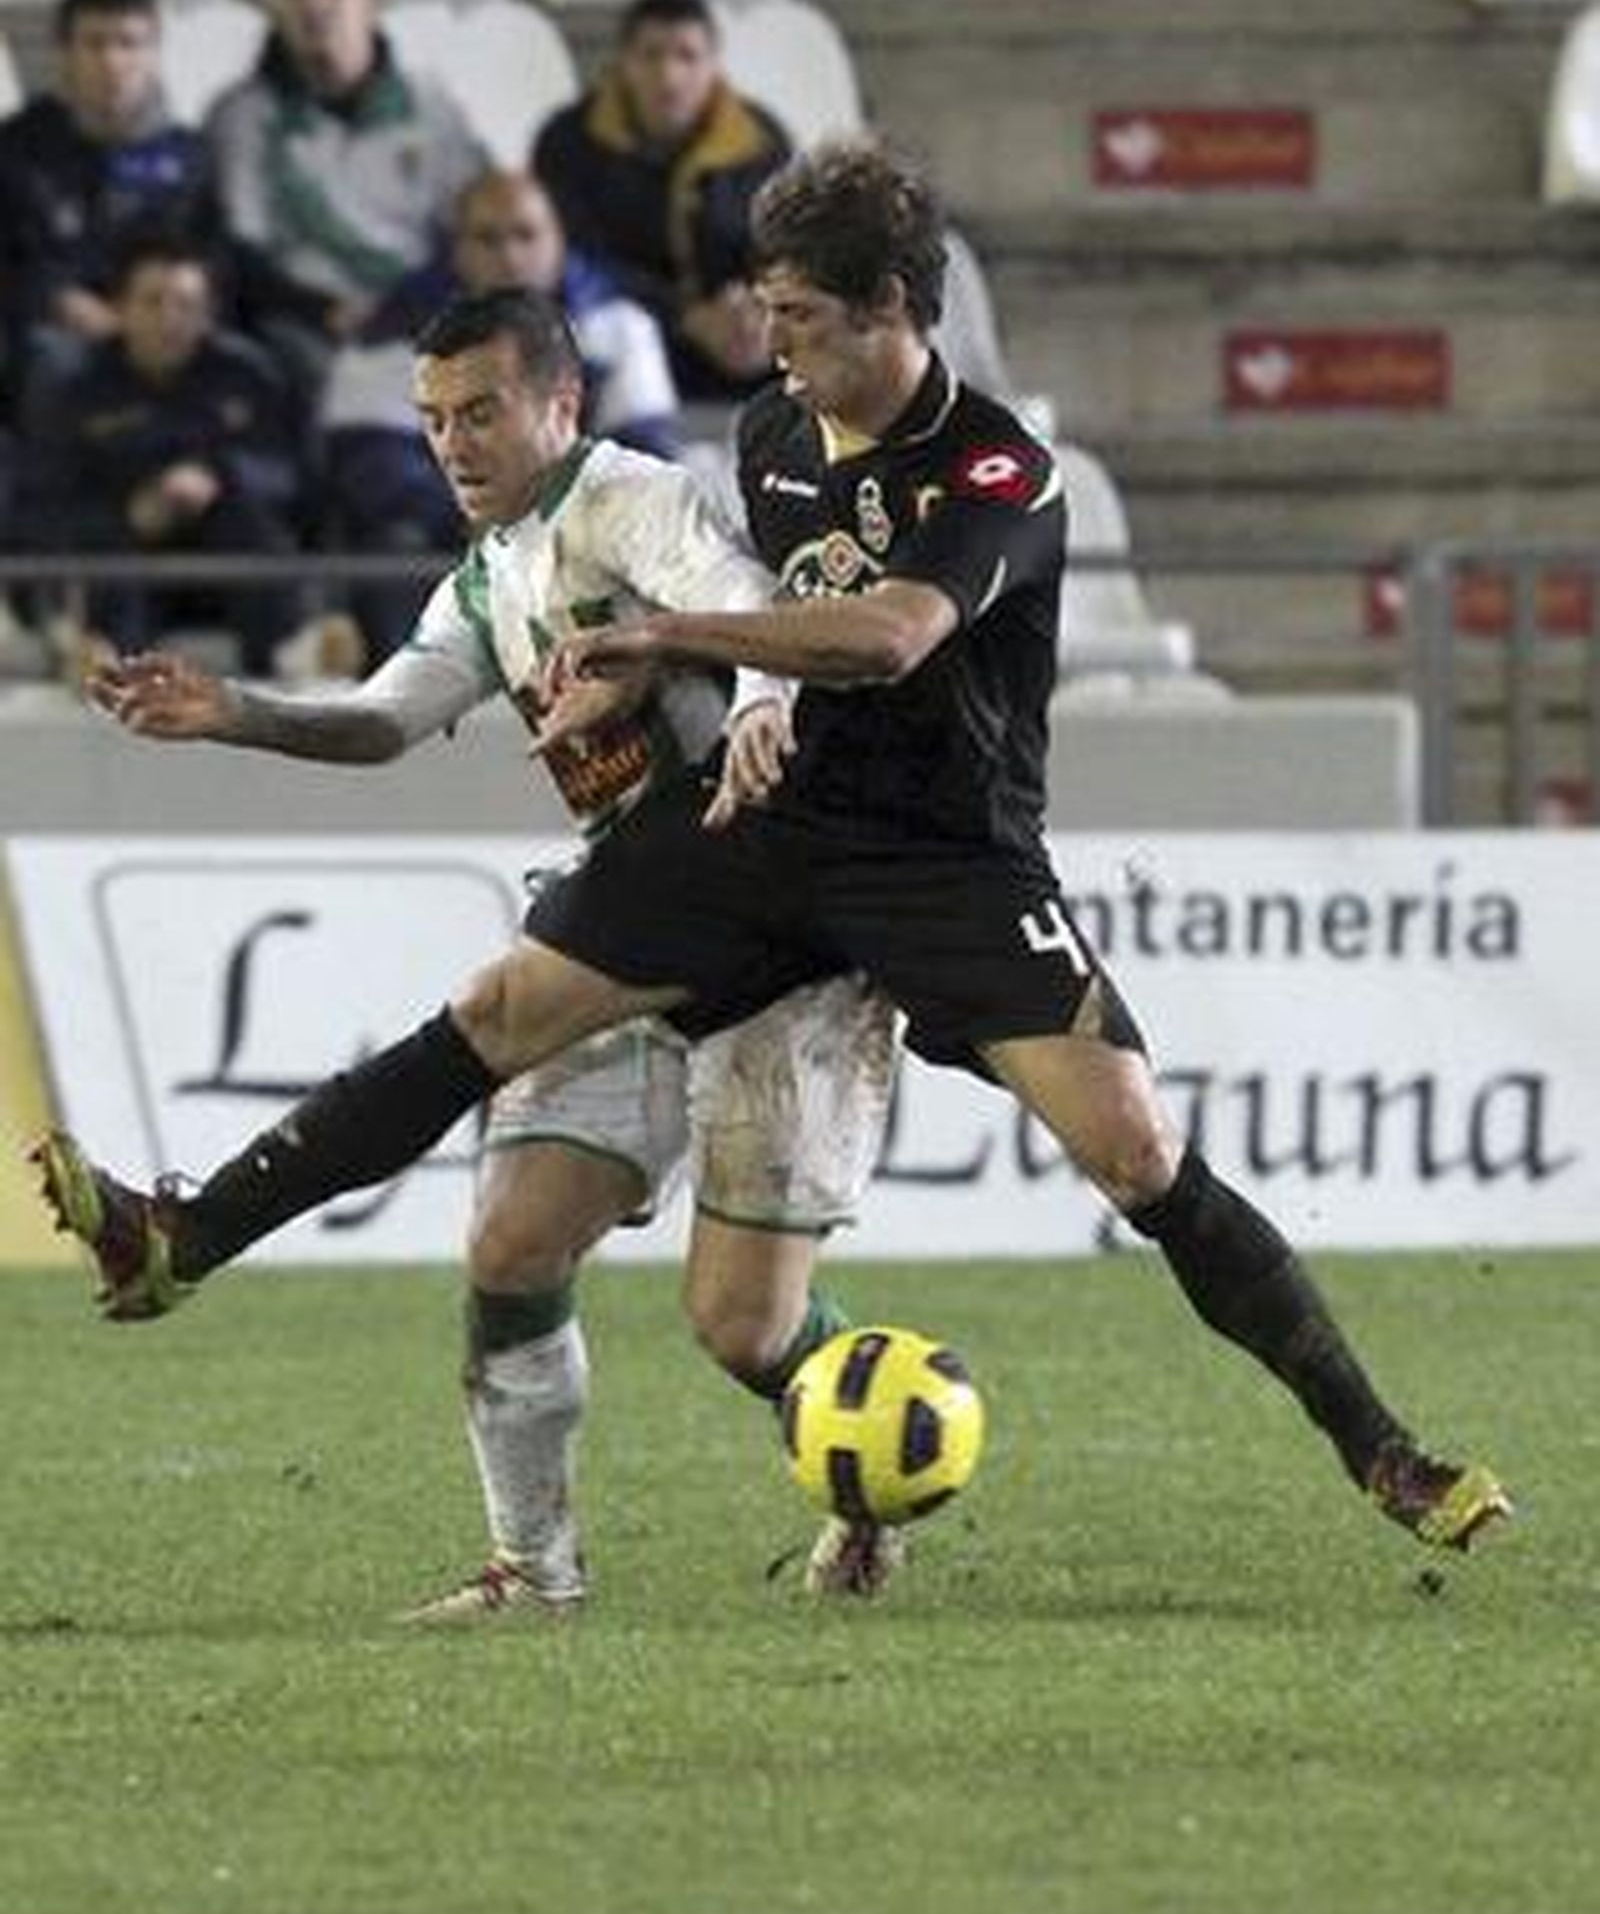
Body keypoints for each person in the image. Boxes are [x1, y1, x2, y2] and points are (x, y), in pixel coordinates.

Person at [35, 143, 1512, 1584]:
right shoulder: (772, 438)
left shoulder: (1000, 467)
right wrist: (674, 689)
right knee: (496, 1010)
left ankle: (1383, 1448)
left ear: (891, 311)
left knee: (1135, 1151)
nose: (772, 340)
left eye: (800, 316)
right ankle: (187, 1233)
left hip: (947, 857)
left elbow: (886, 636)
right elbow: (750, 622)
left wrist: (663, 643)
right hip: (767, 822)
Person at [70, 285, 899, 1615]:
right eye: (433, 419)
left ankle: (887, 1453)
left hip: (771, 926)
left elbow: (742, 595)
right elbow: (385, 721)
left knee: (741, 1325)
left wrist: (758, 706)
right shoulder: (489, 568)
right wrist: (236, 712)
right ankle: (535, 1569)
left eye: (482, 410)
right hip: (634, 930)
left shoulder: (630, 499)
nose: (453, 443)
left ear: (561, 404)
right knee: (512, 1243)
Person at [318, 167, 683, 573]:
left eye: (526, 235)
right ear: (454, 248)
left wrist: (565, 517)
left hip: (586, 532)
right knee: (393, 539)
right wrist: (475, 518)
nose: (510, 255)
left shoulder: (618, 323)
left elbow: (645, 445)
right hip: (444, 540)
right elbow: (374, 463)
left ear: (559, 240)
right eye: (487, 239)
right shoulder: (395, 330)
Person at [205, 0, 487, 407]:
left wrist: (412, 307)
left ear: (372, 0)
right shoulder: (241, 117)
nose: (314, 3)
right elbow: (238, 255)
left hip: (423, 315)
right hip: (303, 328)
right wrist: (323, 311)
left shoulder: (430, 107)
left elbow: (467, 231)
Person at [16, 233, 306, 673]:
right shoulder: (75, 389)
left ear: (208, 313)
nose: (170, 319)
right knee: (107, 550)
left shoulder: (248, 373)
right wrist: (130, 515)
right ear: (120, 309)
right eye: (153, 302)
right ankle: (106, 660)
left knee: (251, 520)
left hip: (221, 569)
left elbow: (292, 476)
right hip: (122, 570)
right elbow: (41, 505)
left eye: (187, 305)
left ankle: (292, 653)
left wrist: (218, 477)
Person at [533, 0, 787, 404]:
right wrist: (685, 316)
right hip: (626, 329)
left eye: (687, 57)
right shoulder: (569, 141)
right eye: (651, 56)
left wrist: (755, 304)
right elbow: (574, 259)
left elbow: (784, 245)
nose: (669, 76)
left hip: (739, 336)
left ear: (714, 65)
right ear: (623, 63)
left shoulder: (758, 139)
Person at [0, 0, 225, 400]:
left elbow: (215, 256)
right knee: (57, 363)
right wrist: (56, 299)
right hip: (59, 327)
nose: (112, 61)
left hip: (172, 323)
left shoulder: (190, 156)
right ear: (64, 54)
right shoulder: (15, 149)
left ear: (154, 54)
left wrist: (165, 314)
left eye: (129, 43)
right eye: (95, 43)